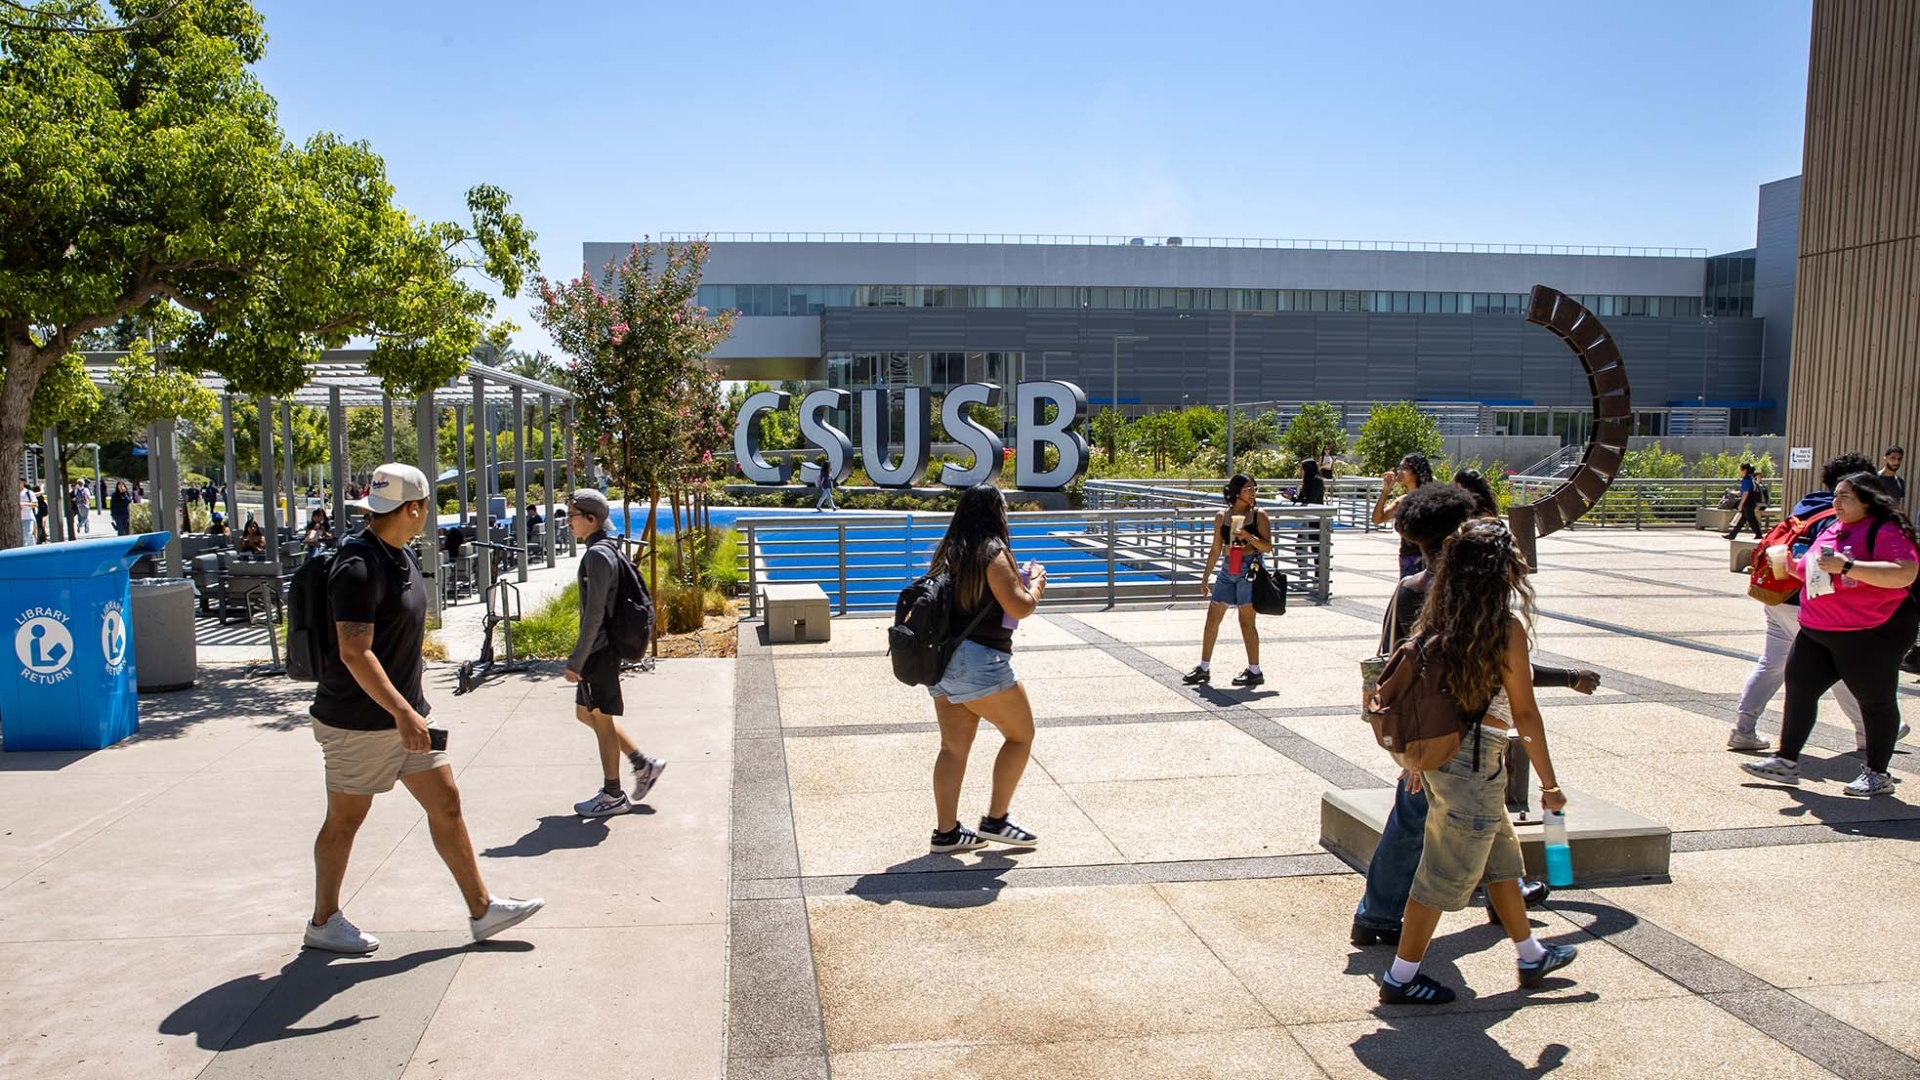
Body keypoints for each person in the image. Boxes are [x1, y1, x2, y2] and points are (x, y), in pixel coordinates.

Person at [304, 463, 542, 954]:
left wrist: (413, 711)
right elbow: (354, 651)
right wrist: (402, 713)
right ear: (413, 509)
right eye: (427, 506)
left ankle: (482, 910)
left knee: (446, 802)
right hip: (359, 722)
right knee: (345, 821)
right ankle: (323, 921)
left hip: (406, 715)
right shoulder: (358, 566)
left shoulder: (400, 556)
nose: (429, 514)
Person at [1353, 484, 1598, 948]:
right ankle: (1387, 929)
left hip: (1440, 735)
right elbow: (1506, 681)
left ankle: (1517, 929)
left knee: (1477, 828)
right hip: (1452, 737)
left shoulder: (1427, 593)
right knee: (1424, 832)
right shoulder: (1455, 600)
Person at [1375, 518, 1578, 1005]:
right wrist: (1549, 785)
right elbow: (1524, 713)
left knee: (1502, 860)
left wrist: (1420, 764)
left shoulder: (1442, 619)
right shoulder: (1503, 628)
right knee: (1440, 874)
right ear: (1497, 569)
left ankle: (1530, 954)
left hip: (1455, 761)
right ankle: (1401, 978)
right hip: (1474, 764)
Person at [1741, 473, 1919, 797]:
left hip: (1868, 633)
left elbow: (1904, 572)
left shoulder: (1884, 531)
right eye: (1835, 496)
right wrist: (1789, 565)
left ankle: (1878, 774)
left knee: (1875, 701)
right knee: (1799, 690)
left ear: (1868, 500)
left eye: (1845, 497)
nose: (1836, 503)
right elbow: (1817, 571)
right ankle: (1786, 761)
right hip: (1818, 629)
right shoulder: (1835, 528)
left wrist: (1849, 567)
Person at [924, 484, 1045, 853]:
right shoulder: (992, 552)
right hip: (980, 663)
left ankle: (947, 833)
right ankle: (996, 820)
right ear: (996, 511)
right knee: (1021, 735)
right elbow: (1020, 606)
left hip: (942, 662)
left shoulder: (948, 552)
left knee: (953, 748)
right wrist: (1037, 583)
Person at [1728, 453, 1875, 752]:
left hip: (1778, 594)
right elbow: (1827, 568)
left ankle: (1743, 728)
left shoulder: (1807, 506)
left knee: (1772, 662)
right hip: (1808, 604)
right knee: (1836, 668)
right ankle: (1868, 732)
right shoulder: (1840, 518)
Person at [564, 489, 666, 818]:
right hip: (600, 649)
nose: (568, 522)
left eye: (572, 516)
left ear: (591, 519)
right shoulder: (608, 547)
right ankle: (642, 764)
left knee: (601, 719)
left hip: (598, 651)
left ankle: (613, 795)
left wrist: (577, 660)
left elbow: (593, 614)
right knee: (587, 715)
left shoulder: (596, 555)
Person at [1182, 474, 1274, 688]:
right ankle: (1203, 667)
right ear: (1235, 493)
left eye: (1254, 488)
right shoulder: (1222, 516)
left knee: (1246, 621)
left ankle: (1254, 670)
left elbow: (1268, 547)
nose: (1252, 493)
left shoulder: (1259, 515)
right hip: (1229, 566)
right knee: (1212, 617)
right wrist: (1205, 577)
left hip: (1249, 568)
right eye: (1248, 489)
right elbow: (1216, 548)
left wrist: (1249, 537)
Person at [1373, 452, 1434, 577]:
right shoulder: (1402, 501)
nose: (1400, 471)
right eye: (1400, 467)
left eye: (1405, 468)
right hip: (1407, 559)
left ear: (1416, 471)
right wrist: (1385, 491)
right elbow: (1377, 519)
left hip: (1427, 560)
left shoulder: (1431, 499)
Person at [1723, 462, 1766, 540]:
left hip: (1747, 502)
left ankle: (1758, 534)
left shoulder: (1746, 479)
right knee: (1743, 519)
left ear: (1744, 470)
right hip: (1751, 501)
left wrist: (1741, 504)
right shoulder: (1751, 478)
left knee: (1751, 518)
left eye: (1740, 469)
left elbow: (1746, 493)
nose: (1739, 471)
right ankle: (1733, 534)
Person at [19, 481, 36, 547]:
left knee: (25, 537)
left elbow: (35, 504)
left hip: (27, 518)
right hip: (18, 519)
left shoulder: (28, 492)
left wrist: (23, 504)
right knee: (29, 538)